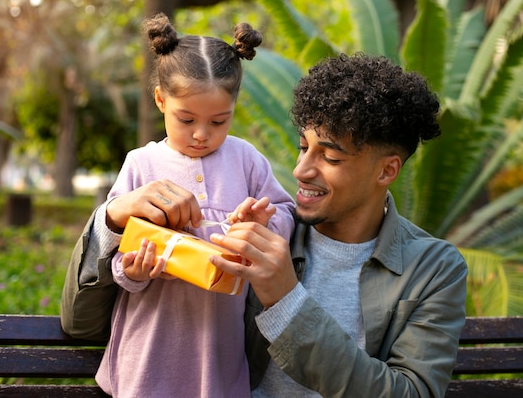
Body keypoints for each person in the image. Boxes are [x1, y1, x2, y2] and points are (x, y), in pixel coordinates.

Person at [61, 53, 467, 398]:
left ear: (387, 170)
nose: (300, 170)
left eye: (331, 158)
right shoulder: (265, 230)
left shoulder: (433, 269)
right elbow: (81, 324)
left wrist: (285, 298)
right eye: (303, 147)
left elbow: (412, 392)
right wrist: (114, 218)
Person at [65, 12, 295, 398]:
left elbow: (286, 215)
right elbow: (117, 256)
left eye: (220, 121)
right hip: (148, 348)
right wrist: (136, 272)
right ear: (160, 100)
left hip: (216, 352)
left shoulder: (247, 160)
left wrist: (262, 222)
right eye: (186, 119)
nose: (202, 135)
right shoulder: (142, 164)